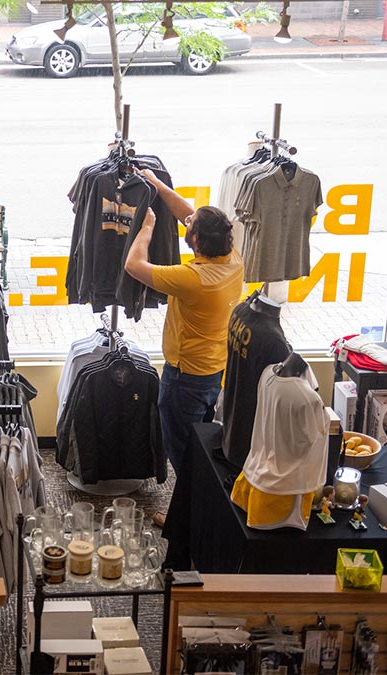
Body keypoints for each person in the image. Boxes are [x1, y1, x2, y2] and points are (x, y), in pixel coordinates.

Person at [124, 169, 244, 526]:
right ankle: (204, 508)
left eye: (189, 227)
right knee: (203, 444)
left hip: (185, 377)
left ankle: (188, 521)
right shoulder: (232, 258)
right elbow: (188, 214)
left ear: (195, 243)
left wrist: (146, 226)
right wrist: (158, 185)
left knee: (183, 452)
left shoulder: (195, 279)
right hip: (213, 372)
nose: (185, 222)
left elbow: (134, 266)